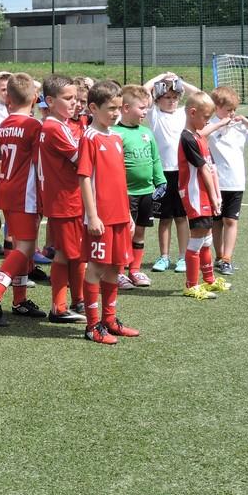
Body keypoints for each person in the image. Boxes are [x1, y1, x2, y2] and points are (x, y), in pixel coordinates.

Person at [0, 73, 46, 327]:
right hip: (24, 193)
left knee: (19, 245)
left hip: (7, 190)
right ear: (35, 98)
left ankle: (20, 300)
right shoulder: (34, 126)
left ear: (9, 100)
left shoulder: (5, 124)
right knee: (25, 248)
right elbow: (40, 164)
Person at [77, 80, 140, 346]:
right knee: (97, 267)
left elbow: (119, 180)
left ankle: (110, 320)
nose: (116, 113)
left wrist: (128, 214)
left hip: (120, 216)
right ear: (93, 108)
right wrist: (92, 216)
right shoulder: (89, 138)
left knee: (115, 266)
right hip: (100, 218)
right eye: (111, 108)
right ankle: (92, 326)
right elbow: (84, 177)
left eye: (119, 108)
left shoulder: (115, 137)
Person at [37, 75, 88, 324]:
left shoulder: (59, 125)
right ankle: (60, 307)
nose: (74, 103)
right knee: (69, 254)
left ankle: (77, 301)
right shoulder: (54, 127)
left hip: (66, 199)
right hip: (66, 200)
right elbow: (81, 159)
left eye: (76, 98)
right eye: (68, 98)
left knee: (72, 252)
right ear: (50, 101)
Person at [202, 86, 248, 276]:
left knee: (231, 220)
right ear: (216, 108)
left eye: (234, 110)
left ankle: (227, 259)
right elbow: (200, 136)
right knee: (216, 222)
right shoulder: (210, 124)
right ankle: (219, 256)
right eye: (228, 110)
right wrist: (220, 124)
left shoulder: (239, 126)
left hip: (236, 181)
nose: (232, 113)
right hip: (215, 182)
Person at [143, 71, 200, 274]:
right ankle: (164, 257)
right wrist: (160, 78)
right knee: (165, 218)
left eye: (175, 97)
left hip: (182, 172)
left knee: (181, 217)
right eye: (167, 97)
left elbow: (199, 94)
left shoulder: (184, 113)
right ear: (158, 99)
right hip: (161, 174)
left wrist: (179, 81)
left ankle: (183, 257)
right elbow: (144, 90)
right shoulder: (154, 114)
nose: (171, 101)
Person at [177, 92, 233, 300]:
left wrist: (222, 122)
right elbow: (203, 170)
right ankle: (191, 285)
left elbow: (209, 166)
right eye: (206, 118)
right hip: (196, 196)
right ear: (193, 113)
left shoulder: (198, 135)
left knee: (207, 238)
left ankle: (209, 280)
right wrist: (214, 196)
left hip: (204, 195)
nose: (208, 122)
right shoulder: (187, 138)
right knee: (197, 238)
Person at [112, 84, 166, 289]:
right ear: (126, 108)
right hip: (126, 193)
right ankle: (118, 272)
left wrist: (160, 180)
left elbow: (155, 159)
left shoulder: (146, 133)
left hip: (147, 192)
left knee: (140, 231)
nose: (145, 112)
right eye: (142, 108)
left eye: (147, 108)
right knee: (125, 233)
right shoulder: (115, 133)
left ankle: (134, 270)